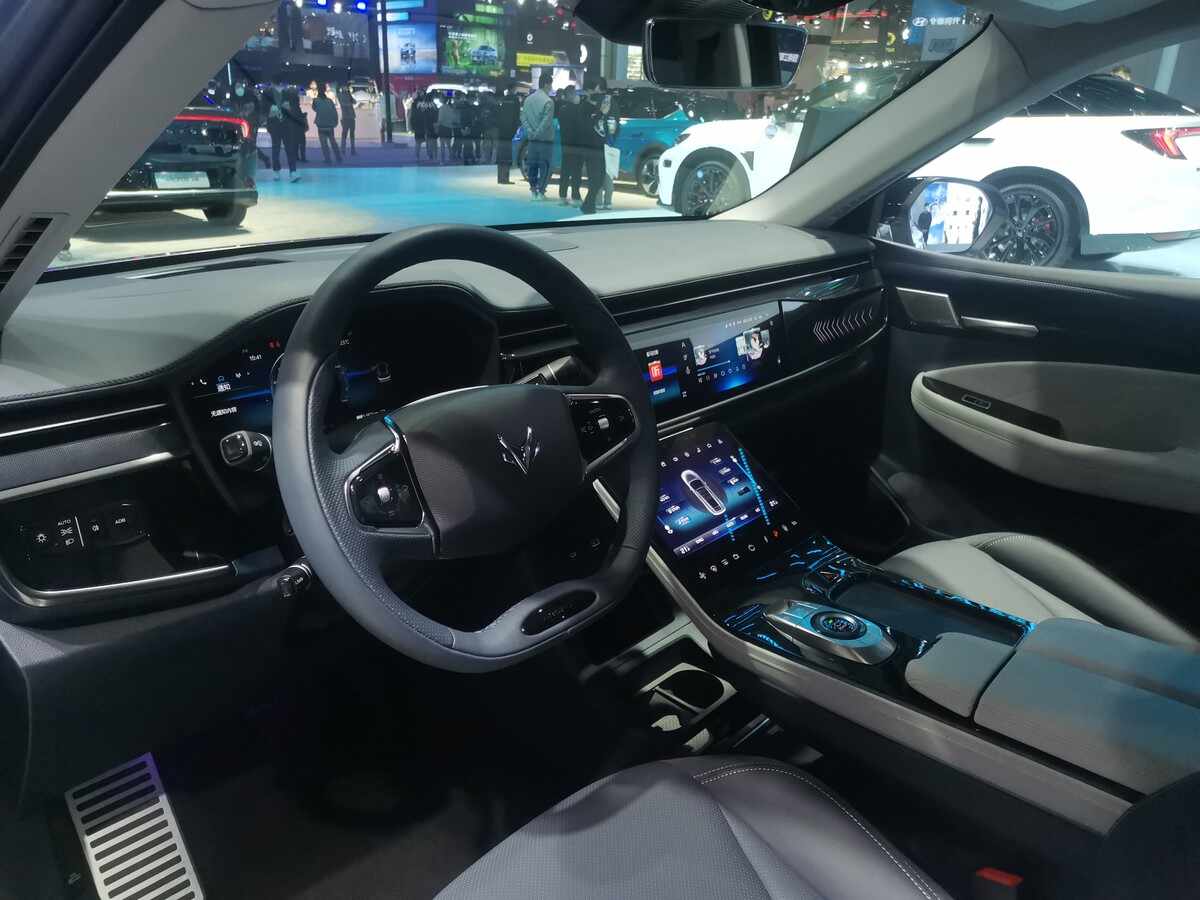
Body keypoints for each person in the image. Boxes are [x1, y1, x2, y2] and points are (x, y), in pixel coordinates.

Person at [520, 72, 555, 199]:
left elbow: (523, 117)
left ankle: (533, 191)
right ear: (546, 84)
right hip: (545, 140)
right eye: (550, 85)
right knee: (545, 166)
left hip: (531, 140)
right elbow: (546, 122)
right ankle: (541, 192)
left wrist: (530, 131)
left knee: (532, 165)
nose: (551, 87)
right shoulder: (548, 101)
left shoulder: (528, 99)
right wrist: (537, 133)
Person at [576, 89, 608, 215]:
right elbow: (587, 127)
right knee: (595, 179)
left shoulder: (600, 111)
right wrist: (600, 113)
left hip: (601, 148)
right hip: (591, 149)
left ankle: (588, 204)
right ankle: (588, 206)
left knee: (600, 179)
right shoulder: (585, 109)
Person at [555, 85, 584, 207]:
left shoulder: (562, 109)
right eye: (575, 94)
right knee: (576, 171)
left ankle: (562, 196)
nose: (577, 96)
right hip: (577, 144)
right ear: (571, 95)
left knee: (565, 171)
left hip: (565, 144)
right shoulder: (578, 109)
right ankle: (575, 197)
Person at [278, 87, 307, 182]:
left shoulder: (285, 103)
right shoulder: (293, 104)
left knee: (289, 150)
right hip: (290, 130)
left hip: (287, 129)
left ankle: (290, 171)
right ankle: (292, 171)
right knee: (290, 150)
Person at [494, 84, 521, 184]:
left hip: (501, 130)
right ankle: (505, 178)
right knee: (507, 154)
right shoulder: (515, 100)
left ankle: (500, 178)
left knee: (501, 154)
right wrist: (515, 129)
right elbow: (516, 116)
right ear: (513, 89)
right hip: (510, 131)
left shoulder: (503, 99)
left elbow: (498, 114)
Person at [312, 85, 342, 164]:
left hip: (321, 125)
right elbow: (334, 112)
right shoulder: (330, 101)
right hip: (330, 125)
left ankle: (327, 159)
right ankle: (338, 157)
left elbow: (314, 108)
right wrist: (335, 122)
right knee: (333, 141)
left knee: (324, 143)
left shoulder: (315, 100)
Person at [436, 95, 459, 164]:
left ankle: (442, 160)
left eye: (440, 98)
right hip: (449, 128)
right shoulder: (450, 108)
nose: (439, 99)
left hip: (443, 128)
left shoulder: (442, 108)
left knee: (442, 145)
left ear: (443, 99)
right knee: (449, 145)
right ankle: (451, 157)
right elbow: (453, 119)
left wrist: (436, 126)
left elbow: (440, 120)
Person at [455, 93, 478, 165]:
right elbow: (464, 118)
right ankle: (468, 159)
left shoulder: (467, 106)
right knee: (467, 144)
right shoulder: (466, 107)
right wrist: (465, 127)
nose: (473, 100)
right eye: (472, 98)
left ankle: (469, 158)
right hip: (466, 127)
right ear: (469, 99)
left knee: (468, 144)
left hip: (468, 127)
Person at [337, 83, 357, 156]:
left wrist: (350, 96)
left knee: (352, 134)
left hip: (351, 117)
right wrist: (349, 102)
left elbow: (355, 102)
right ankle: (343, 149)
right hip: (345, 117)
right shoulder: (340, 95)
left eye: (347, 87)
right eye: (345, 87)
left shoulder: (349, 95)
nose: (346, 89)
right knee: (344, 133)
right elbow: (344, 104)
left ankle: (352, 149)